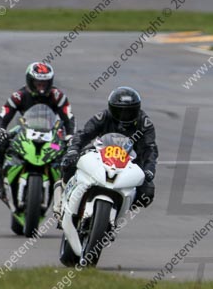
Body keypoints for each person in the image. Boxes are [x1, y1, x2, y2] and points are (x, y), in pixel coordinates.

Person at [55, 87, 158, 220]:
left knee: (147, 193)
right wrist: (74, 149)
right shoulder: (103, 116)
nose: (124, 116)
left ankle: (118, 210)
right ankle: (62, 197)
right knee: (69, 163)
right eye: (119, 111)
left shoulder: (145, 124)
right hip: (100, 153)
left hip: (130, 161)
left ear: (137, 109)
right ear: (111, 108)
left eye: (129, 112)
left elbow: (150, 149)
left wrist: (149, 170)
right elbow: (84, 134)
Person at [0, 62, 75, 203]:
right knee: (1, 141)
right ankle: (0, 175)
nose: (41, 87)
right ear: (30, 81)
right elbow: (3, 115)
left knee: (70, 151)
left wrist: (70, 136)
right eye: (38, 83)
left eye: (44, 83)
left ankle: (66, 185)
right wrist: (0, 129)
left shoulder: (57, 96)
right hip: (24, 132)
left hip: (52, 134)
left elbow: (69, 117)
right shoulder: (19, 96)